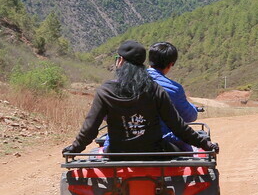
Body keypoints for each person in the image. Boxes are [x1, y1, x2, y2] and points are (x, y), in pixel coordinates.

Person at [63, 40, 217, 156]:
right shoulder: (155, 89)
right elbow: (178, 126)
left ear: (121, 61)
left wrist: (75, 148)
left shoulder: (106, 91)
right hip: (155, 152)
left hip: (116, 153)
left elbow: (90, 128)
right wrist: (205, 143)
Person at [148, 41, 204, 152]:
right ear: (171, 64)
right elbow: (189, 116)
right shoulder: (174, 89)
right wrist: (192, 107)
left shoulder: (127, 83)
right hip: (164, 144)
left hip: (126, 144)